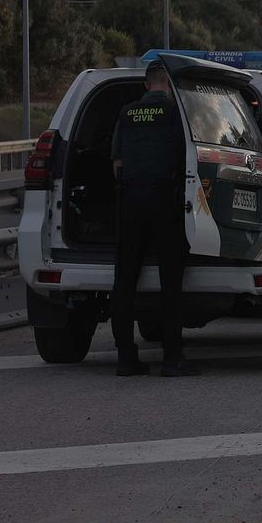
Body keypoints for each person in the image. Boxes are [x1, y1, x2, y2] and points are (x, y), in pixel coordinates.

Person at [110, 60, 199, 377]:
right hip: (166, 199)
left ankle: (125, 358)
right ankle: (172, 358)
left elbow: (117, 162)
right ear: (169, 87)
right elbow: (190, 158)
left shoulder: (127, 113)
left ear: (146, 85)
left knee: (124, 280)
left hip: (131, 199)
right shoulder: (177, 113)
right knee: (170, 281)